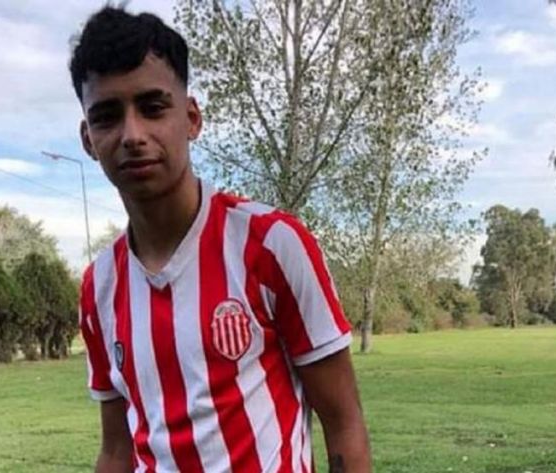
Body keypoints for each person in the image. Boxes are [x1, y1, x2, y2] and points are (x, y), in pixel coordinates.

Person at [72, 6, 371, 473]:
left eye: (153, 108)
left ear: (192, 118)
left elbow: (344, 425)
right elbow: (117, 450)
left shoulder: (271, 245)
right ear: (88, 139)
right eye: (107, 117)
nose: (132, 135)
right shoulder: (99, 288)